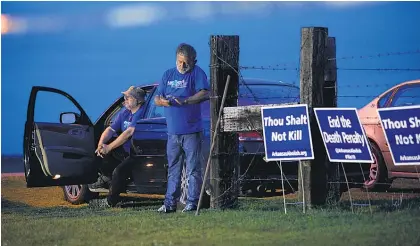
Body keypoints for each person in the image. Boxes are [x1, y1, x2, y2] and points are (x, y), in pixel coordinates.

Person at [155, 43, 209, 213]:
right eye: (180, 62)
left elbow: (204, 93)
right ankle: (169, 203)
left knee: (193, 169)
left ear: (194, 61)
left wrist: (185, 101)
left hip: (191, 131)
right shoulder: (168, 74)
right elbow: (158, 97)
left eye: (186, 62)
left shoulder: (197, 73)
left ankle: (192, 202)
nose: (182, 66)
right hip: (173, 132)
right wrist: (163, 102)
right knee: (173, 169)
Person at [89, 85, 146, 208]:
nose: (125, 99)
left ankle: (110, 201)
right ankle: (109, 181)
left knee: (119, 171)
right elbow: (110, 129)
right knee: (98, 156)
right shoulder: (125, 112)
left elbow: (128, 133)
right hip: (125, 151)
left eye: (128, 97)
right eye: (125, 97)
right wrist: (101, 145)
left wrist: (109, 147)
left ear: (138, 100)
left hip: (138, 153)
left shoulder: (142, 113)